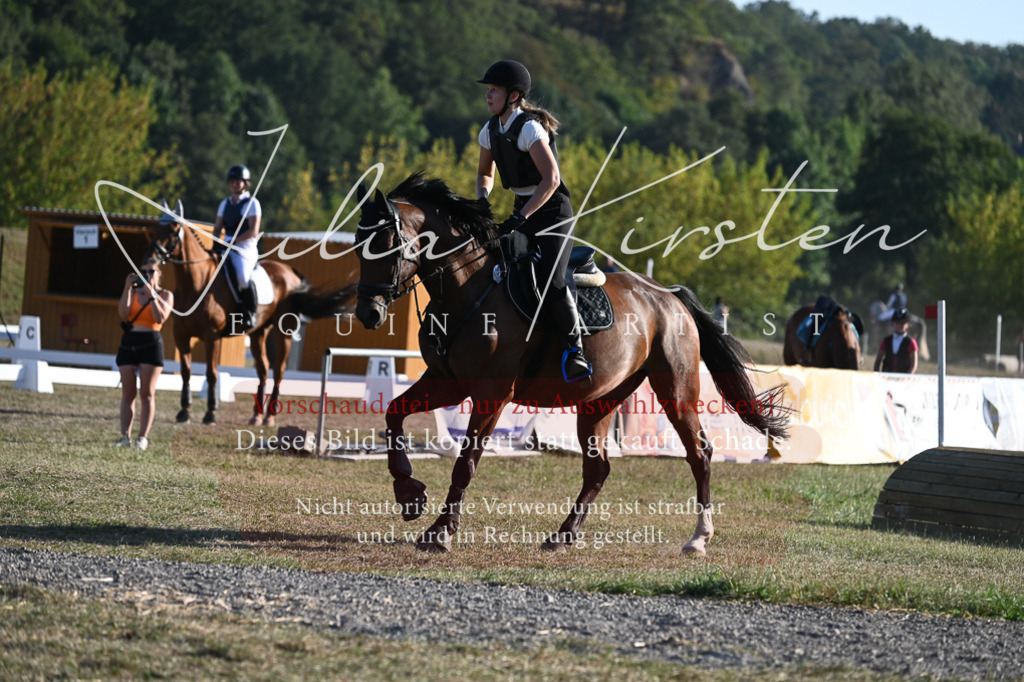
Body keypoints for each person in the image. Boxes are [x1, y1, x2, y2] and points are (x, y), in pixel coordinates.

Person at [475, 60, 591, 382]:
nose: (488, 96)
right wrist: (482, 203)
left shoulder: (528, 128)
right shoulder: (490, 131)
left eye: (493, 90)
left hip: (552, 212)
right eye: (488, 90)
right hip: (522, 209)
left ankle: (575, 350)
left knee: (552, 283)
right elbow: (485, 173)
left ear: (513, 96)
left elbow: (551, 179)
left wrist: (520, 217)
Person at [115, 260, 174, 450]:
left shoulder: (165, 294)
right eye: (144, 271)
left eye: (151, 271)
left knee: (147, 393)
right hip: (130, 341)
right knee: (128, 393)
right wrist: (127, 287)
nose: (147, 274)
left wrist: (151, 296)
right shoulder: (133, 291)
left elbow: (160, 318)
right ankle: (125, 436)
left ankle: (142, 437)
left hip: (151, 343)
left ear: (159, 273)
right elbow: (123, 313)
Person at [213, 164, 262, 331]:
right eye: (232, 181)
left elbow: (253, 230)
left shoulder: (252, 203)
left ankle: (250, 313)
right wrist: (215, 243)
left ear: (245, 183)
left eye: (238, 181)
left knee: (242, 277)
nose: (234, 184)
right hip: (226, 245)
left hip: (245, 248)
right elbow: (218, 227)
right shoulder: (224, 204)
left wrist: (233, 242)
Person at [873, 308, 918, 374]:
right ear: (893, 323)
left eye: (902, 323)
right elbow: (878, 361)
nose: (899, 325)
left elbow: (913, 365)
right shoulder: (886, 341)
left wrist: (906, 378)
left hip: (903, 378)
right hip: (886, 377)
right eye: (897, 323)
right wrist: (878, 376)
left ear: (907, 324)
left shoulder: (911, 342)